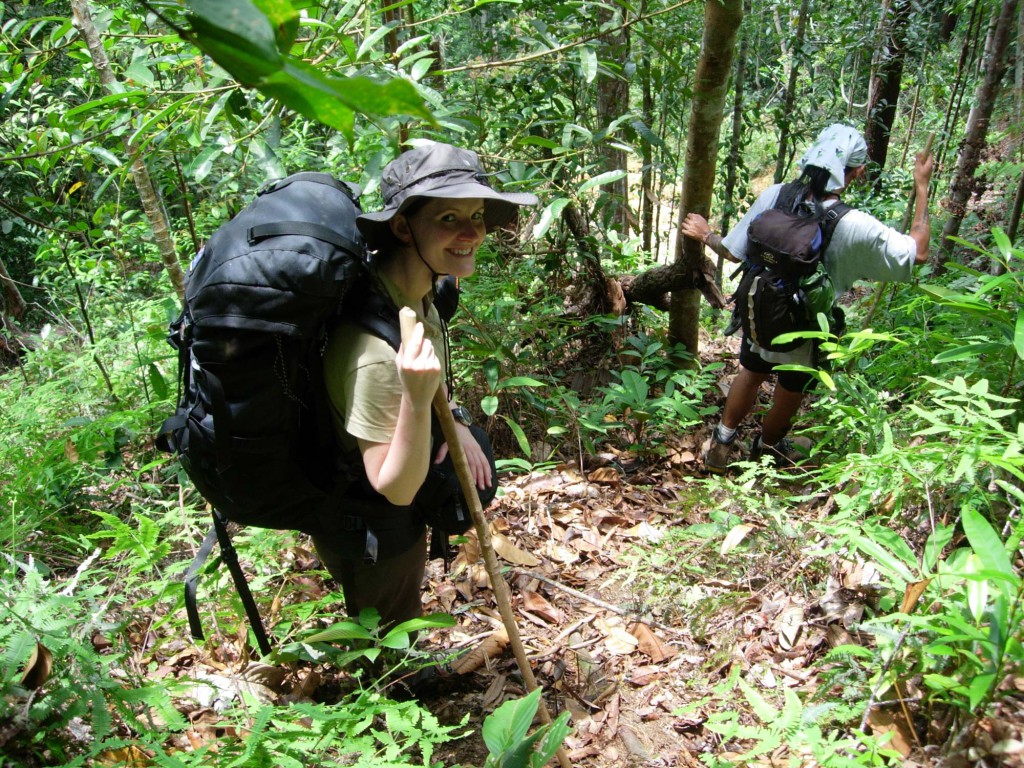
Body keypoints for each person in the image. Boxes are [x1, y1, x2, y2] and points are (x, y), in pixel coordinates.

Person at [314, 141, 538, 625]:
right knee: (385, 644)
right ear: (401, 227)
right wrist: (418, 402)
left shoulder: (419, 294)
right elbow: (393, 487)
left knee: (401, 616)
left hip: (394, 514)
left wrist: (452, 420)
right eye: (449, 218)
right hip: (370, 523)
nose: (471, 233)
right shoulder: (372, 354)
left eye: (477, 216)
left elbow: (429, 375)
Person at [680, 123, 933, 473]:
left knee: (750, 372)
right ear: (857, 172)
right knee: (790, 386)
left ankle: (721, 445)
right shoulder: (855, 224)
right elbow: (917, 253)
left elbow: (735, 252)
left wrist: (707, 234)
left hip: (757, 306)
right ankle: (766, 449)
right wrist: (921, 186)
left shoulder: (777, 194)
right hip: (803, 323)